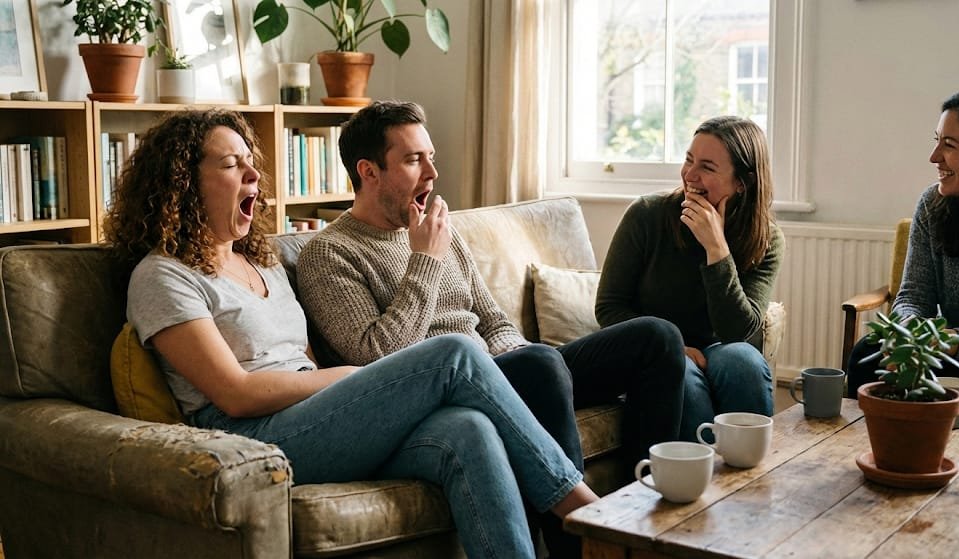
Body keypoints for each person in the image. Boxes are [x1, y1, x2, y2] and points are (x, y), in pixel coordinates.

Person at [103, 108, 598, 559]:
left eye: (250, 160)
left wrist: (345, 384)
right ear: (183, 182)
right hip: (252, 439)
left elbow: (305, 357)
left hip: (315, 416)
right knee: (453, 354)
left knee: (470, 429)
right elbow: (235, 394)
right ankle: (585, 512)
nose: (254, 174)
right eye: (232, 164)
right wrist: (348, 376)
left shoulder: (264, 262)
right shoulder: (162, 277)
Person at [296, 100, 686, 558]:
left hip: (503, 374)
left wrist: (508, 363)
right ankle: (579, 544)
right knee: (540, 365)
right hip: (441, 391)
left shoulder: (442, 229)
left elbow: (494, 318)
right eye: (413, 159)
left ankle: (641, 518)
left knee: (656, 338)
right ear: (369, 171)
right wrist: (424, 262)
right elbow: (375, 357)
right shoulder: (328, 253)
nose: (432, 173)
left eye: (431, 157)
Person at [595, 116, 783, 442]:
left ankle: (750, 480)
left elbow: (738, 331)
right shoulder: (646, 216)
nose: (690, 175)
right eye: (688, 160)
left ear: (742, 182)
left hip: (721, 348)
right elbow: (609, 307)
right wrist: (674, 347)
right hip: (655, 351)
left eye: (707, 167)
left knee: (745, 363)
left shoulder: (766, 239)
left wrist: (716, 250)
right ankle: (699, 485)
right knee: (681, 374)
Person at [846, 84, 959, 419]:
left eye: (950, 145)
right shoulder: (933, 204)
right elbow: (913, 294)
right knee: (868, 353)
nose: (934, 157)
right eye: (937, 140)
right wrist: (910, 330)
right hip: (947, 347)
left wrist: (954, 341)